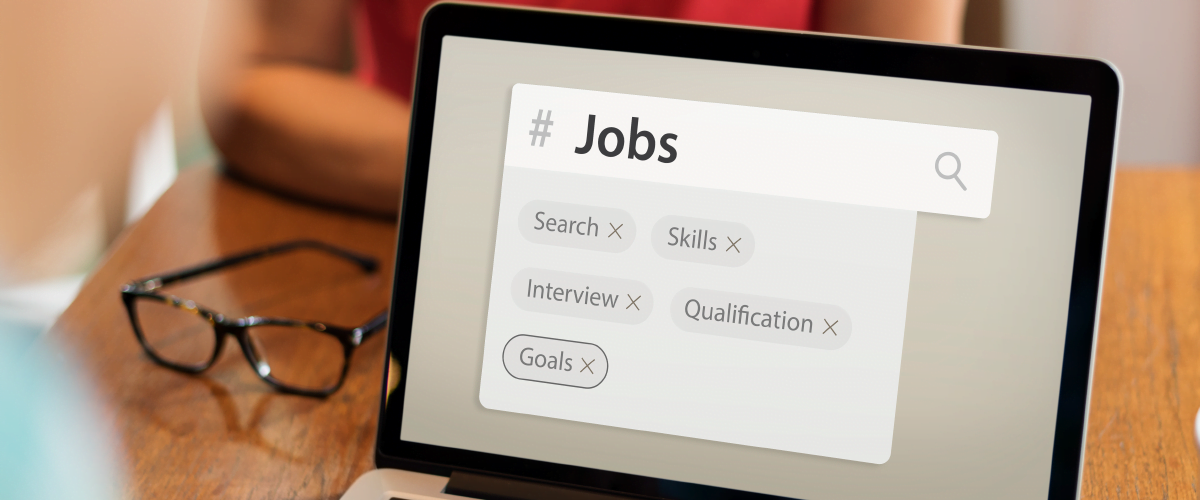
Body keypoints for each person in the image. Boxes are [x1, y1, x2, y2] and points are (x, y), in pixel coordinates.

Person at [203, 0, 966, 216]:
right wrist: (546, 179)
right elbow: (252, 80)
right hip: (415, 258)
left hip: (758, 259)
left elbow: (905, 119)